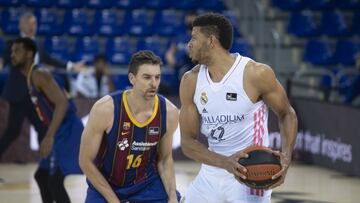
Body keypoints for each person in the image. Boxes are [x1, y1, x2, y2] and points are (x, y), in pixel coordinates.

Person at [179, 13, 298, 202]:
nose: (189, 44)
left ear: (211, 41)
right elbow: (187, 143)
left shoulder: (255, 73)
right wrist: (225, 163)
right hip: (212, 171)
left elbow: (287, 114)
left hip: (250, 172)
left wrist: (286, 156)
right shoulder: (190, 81)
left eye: (194, 38)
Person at [79, 50, 181, 203]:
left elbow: (165, 159)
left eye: (157, 77)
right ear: (132, 78)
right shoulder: (105, 109)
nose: (153, 83)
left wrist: (173, 196)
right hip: (107, 184)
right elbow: (85, 162)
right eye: (147, 77)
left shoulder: (170, 112)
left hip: (146, 185)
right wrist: (114, 200)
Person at [0, 12, 84, 159]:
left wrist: (71, 66)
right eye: (30, 24)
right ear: (22, 25)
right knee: (12, 132)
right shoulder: (14, 44)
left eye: (35, 24)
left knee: (43, 128)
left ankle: (47, 165)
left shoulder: (36, 44)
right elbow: (4, 60)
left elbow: (49, 59)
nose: (33, 27)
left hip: (33, 96)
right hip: (18, 96)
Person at [10, 37, 84, 202]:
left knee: (54, 181)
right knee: (41, 177)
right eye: (11, 51)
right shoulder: (31, 76)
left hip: (68, 130)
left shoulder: (39, 74)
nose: (12, 55)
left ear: (29, 54)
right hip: (59, 130)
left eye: (17, 51)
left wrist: (49, 136)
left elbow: (62, 103)